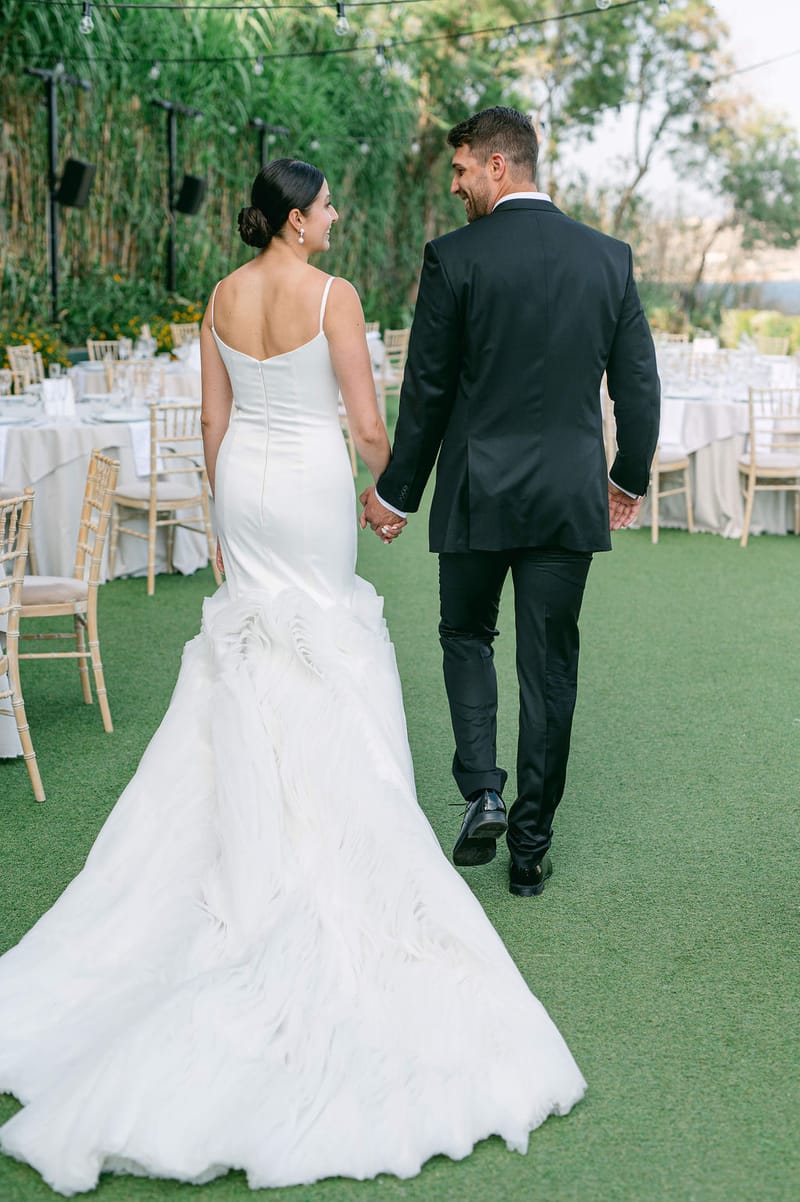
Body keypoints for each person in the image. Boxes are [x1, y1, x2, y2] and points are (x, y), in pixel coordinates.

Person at [0, 158, 585, 1195]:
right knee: (325, 640)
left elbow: (212, 422)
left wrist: (223, 528)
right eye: (327, 205)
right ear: (300, 220)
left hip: (242, 487)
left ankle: (252, 826)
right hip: (311, 481)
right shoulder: (332, 294)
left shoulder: (222, 295)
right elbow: (366, 423)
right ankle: (328, 838)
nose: (336, 215)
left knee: (253, 643)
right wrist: (390, 487)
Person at [361, 108, 660, 897]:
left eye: (460, 170)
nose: (454, 185)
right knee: (549, 669)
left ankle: (483, 790)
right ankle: (529, 850)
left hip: (475, 492)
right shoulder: (608, 258)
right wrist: (626, 477)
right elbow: (639, 386)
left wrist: (396, 494)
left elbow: (425, 391)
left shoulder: (453, 258)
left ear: (499, 166)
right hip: (567, 496)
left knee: (465, 633)